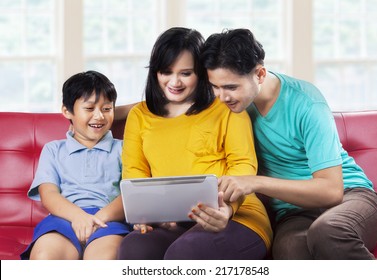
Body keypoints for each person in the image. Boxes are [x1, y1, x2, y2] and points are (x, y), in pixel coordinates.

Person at [200, 28, 377, 260]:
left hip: (351, 196)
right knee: (289, 251)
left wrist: (254, 182)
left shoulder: (307, 103)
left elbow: (331, 191)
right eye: (214, 87)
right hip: (293, 212)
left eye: (231, 87)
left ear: (260, 74)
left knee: (328, 231)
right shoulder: (229, 106)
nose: (221, 97)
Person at [117, 27, 272, 260]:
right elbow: (135, 172)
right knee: (134, 249)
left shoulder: (227, 106)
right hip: (171, 221)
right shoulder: (140, 115)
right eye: (166, 72)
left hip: (236, 216)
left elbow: (242, 166)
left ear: (201, 73)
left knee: (185, 253)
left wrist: (226, 209)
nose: (174, 82)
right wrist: (146, 214)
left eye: (186, 73)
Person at [20, 70, 131, 260]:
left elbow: (129, 194)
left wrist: (98, 218)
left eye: (106, 109)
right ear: (67, 111)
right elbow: (49, 195)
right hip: (63, 220)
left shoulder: (123, 149)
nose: (99, 117)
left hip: (108, 221)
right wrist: (79, 217)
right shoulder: (54, 149)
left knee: (105, 260)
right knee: (44, 257)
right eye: (89, 109)